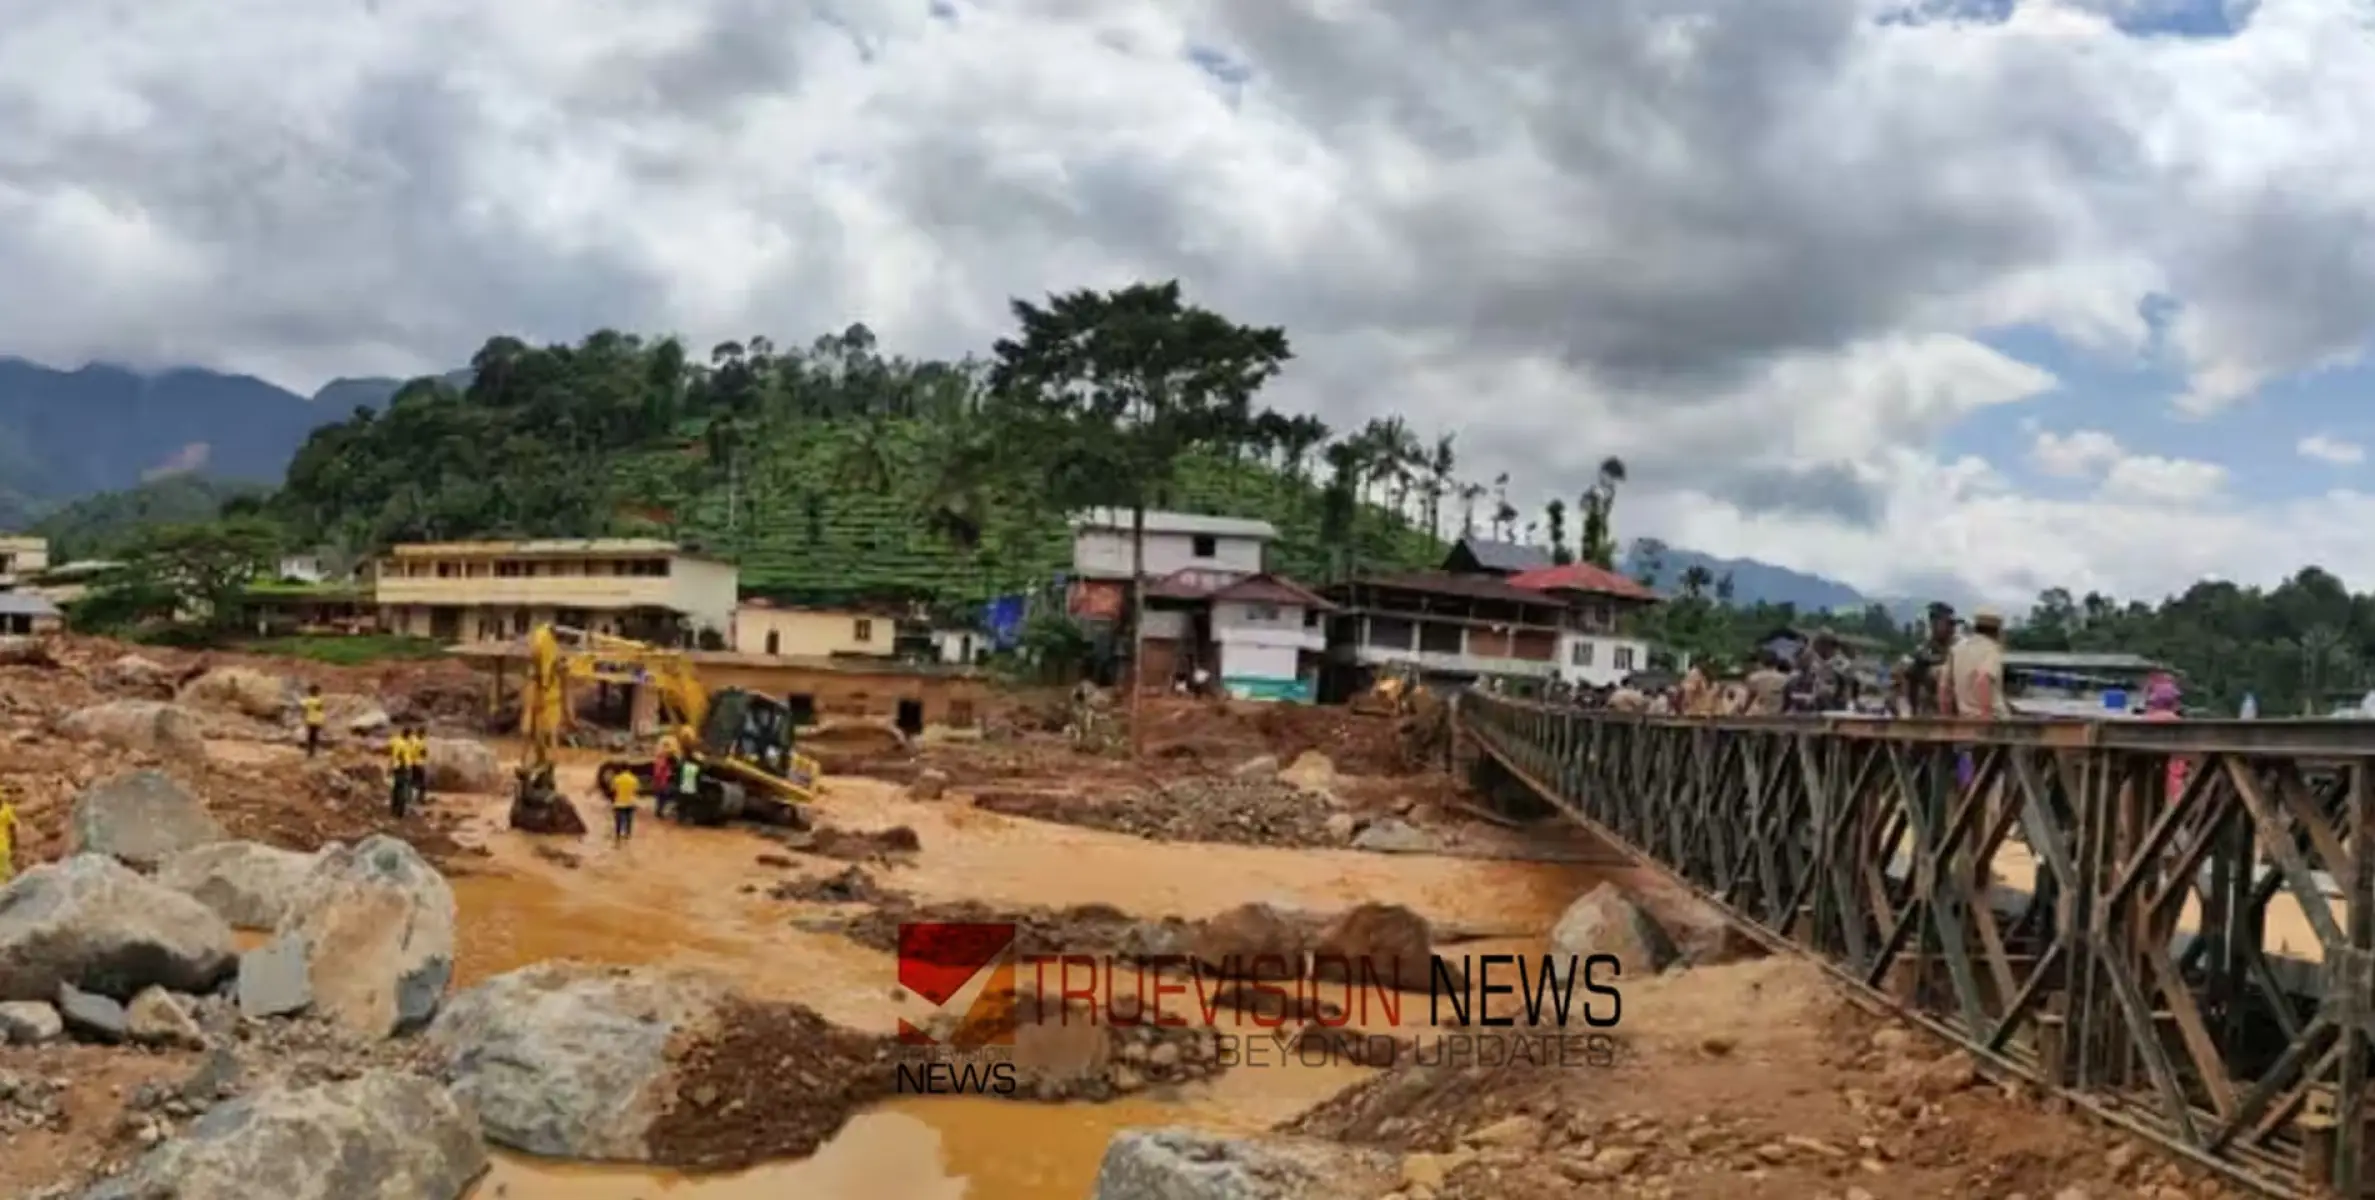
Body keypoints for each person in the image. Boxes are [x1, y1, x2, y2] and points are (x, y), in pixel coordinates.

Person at [387, 727, 413, 817]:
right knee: (402, 790)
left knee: (396, 789)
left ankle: (393, 810)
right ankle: (400, 812)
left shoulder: (396, 740)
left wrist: (390, 766)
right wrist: (406, 767)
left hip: (396, 767)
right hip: (402, 768)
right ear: (407, 735)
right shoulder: (404, 744)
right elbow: (401, 756)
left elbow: (390, 749)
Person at [608, 766, 639, 842]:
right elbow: (636, 791)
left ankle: (618, 836)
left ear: (621, 770)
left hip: (619, 803)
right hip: (630, 803)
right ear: (629, 770)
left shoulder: (617, 779)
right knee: (629, 820)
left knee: (618, 821)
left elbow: (612, 790)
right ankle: (627, 836)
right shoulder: (634, 779)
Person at [301, 685, 326, 758]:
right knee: (315, 736)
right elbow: (320, 710)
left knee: (310, 736)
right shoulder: (319, 701)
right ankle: (313, 752)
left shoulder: (306, 701)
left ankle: (310, 752)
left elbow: (304, 710)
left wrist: (303, 718)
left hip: (309, 720)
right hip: (317, 720)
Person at [0, 783, 17, 884]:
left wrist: (14, 842)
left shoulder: (7, 810)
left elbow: (12, 828)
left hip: (4, 845)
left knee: (4, 868)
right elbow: (13, 828)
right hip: (5, 845)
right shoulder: (7, 810)